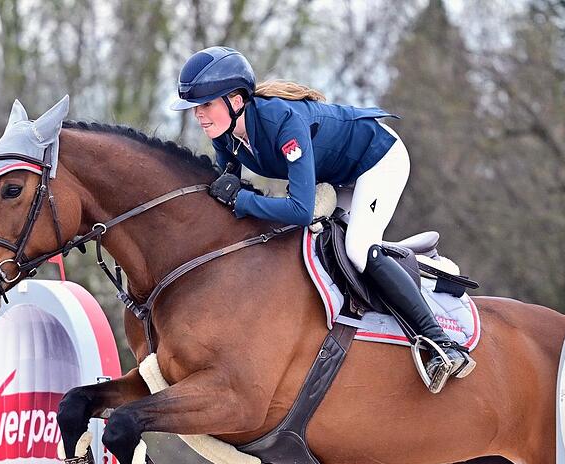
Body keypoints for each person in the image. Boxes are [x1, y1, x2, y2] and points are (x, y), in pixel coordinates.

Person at [170, 46, 474, 393]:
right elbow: (230, 189)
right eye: (196, 107)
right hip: (338, 175)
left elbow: (298, 209)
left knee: (359, 249)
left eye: (205, 105)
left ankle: (440, 343)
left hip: (378, 161)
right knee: (316, 247)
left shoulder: (282, 121)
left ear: (236, 101)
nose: (199, 115)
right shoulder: (227, 136)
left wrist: (242, 200)